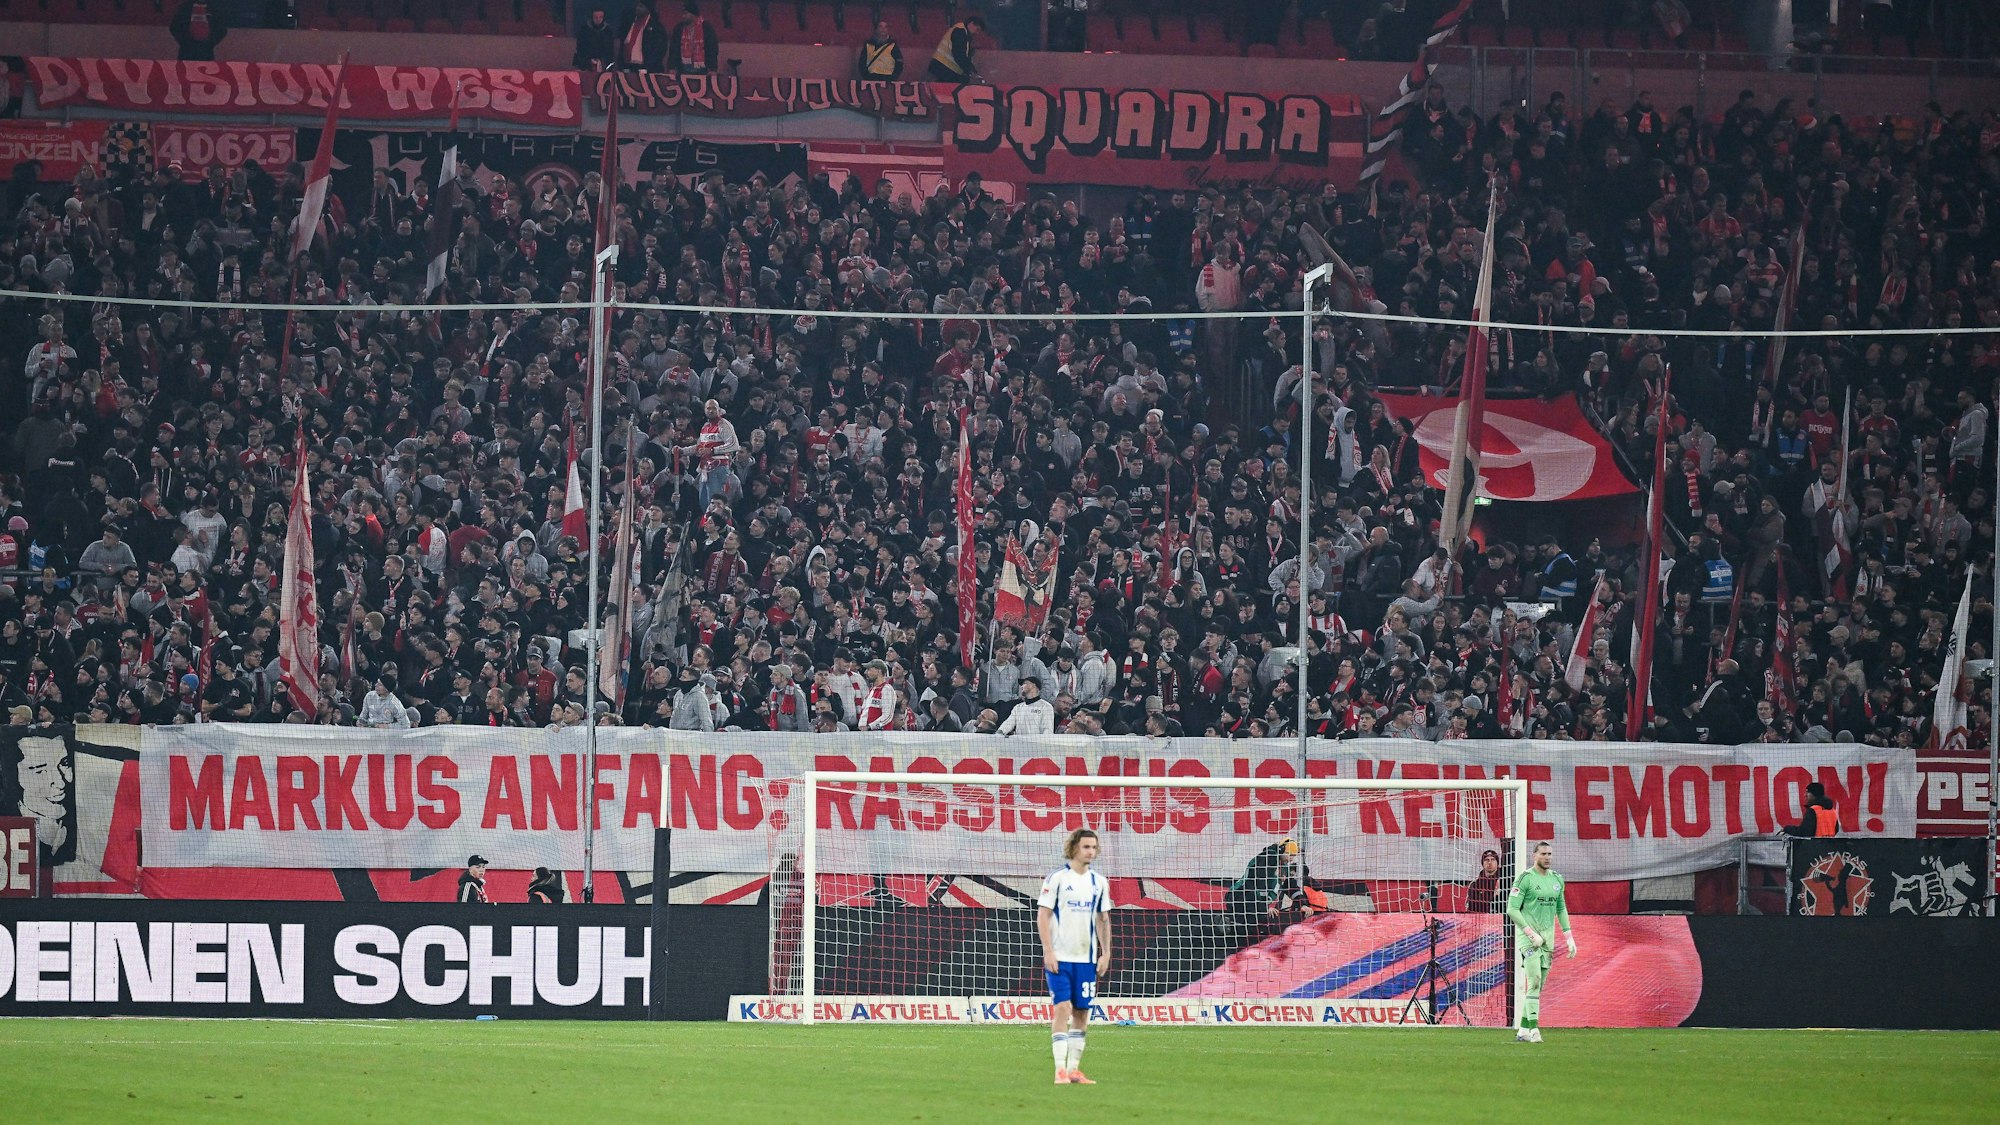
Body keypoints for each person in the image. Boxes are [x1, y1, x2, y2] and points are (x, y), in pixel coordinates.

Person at [1036, 828, 1109, 1085]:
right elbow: (1043, 915)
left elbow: (1103, 919)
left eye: (1094, 847)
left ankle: (1074, 1070)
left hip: (1086, 961)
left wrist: (1106, 953)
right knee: (1062, 1009)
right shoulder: (1057, 879)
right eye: (1086, 846)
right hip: (1061, 957)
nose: (1091, 851)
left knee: (1081, 1013)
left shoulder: (1099, 882)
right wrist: (1048, 951)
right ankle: (1059, 1070)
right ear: (1074, 848)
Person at [1506, 841, 1576, 1043]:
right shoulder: (1525, 879)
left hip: (1548, 939)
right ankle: (1535, 1029)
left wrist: (1569, 937)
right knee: (1534, 979)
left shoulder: (1557, 880)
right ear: (1534, 855)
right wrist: (1530, 933)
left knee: (1538, 986)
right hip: (1528, 939)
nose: (1548, 857)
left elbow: (1561, 909)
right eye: (1544, 853)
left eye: (1550, 854)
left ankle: (1522, 1030)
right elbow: (1512, 909)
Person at [927, 15, 984, 84]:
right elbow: (959, 55)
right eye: (977, 29)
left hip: (942, 67)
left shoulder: (961, 30)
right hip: (945, 68)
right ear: (971, 24)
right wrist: (970, 69)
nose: (977, 33)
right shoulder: (960, 32)